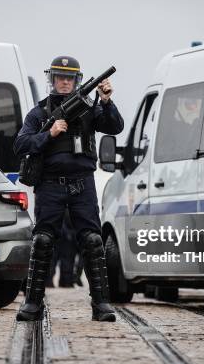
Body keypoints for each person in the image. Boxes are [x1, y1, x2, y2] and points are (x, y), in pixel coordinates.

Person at [14, 56, 123, 321]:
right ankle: (32, 303)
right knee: (43, 240)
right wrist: (48, 134)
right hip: (50, 184)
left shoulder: (88, 109)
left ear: (76, 80)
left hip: (82, 183)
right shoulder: (40, 113)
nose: (64, 82)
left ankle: (101, 304)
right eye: (60, 77)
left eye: (69, 78)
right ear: (52, 79)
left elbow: (114, 126)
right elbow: (20, 144)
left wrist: (106, 100)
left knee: (92, 240)